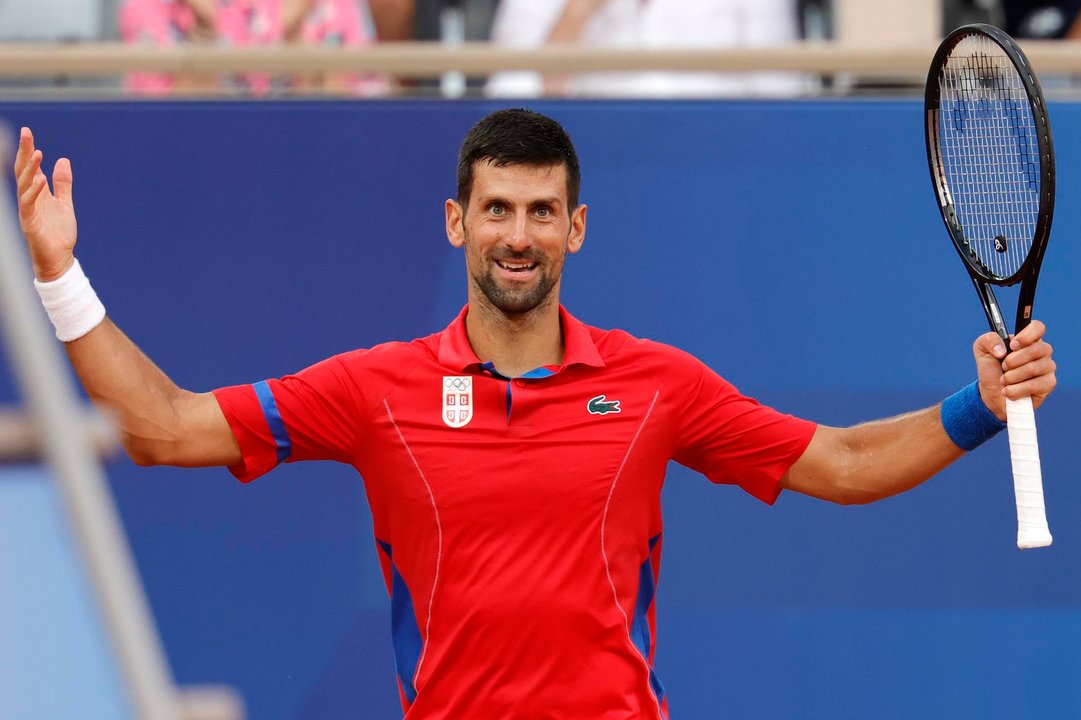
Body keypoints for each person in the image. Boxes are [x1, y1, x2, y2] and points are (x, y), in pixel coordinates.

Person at [13, 109, 1056, 719]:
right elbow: (162, 428)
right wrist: (59, 274)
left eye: (542, 212)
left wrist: (979, 404)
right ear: (458, 221)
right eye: (499, 210)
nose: (520, 235)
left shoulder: (657, 385)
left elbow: (841, 462)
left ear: (576, 228)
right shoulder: (375, 390)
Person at [486, 0, 809, 98]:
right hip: (586, 162)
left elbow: (782, 95)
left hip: (722, 158)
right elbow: (506, 99)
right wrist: (577, 13)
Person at [118, 0, 390, 96]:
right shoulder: (150, 6)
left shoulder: (331, 4)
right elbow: (159, 132)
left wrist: (295, 38)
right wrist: (204, 31)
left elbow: (355, 128)